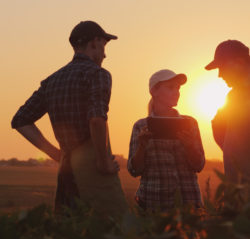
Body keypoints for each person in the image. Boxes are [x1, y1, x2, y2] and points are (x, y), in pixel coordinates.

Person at [11, 20, 128, 216]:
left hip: (66, 172)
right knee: (109, 232)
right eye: (103, 45)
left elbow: (20, 120)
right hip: (94, 173)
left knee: (69, 234)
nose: (105, 54)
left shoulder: (52, 81)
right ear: (93, 43)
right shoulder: (98, 74)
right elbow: (97, 119)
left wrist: (56, 154)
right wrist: (103, 161)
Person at [127, 69, 205, 211]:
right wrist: (142, 147)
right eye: (170, 87)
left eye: (178, 88)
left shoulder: (190, 123)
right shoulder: (141, 126)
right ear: (154, 92)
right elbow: (134, 170)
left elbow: (199, 165)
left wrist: (189, 147)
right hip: (154, 203)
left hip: (188, 203)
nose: (176, 92)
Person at [205, 40, 250, 184]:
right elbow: (217, 125)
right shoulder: (233, 97)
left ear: (240, 62)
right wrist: (232, 152)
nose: (219, 74)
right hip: (237, 191)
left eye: (222, 66)